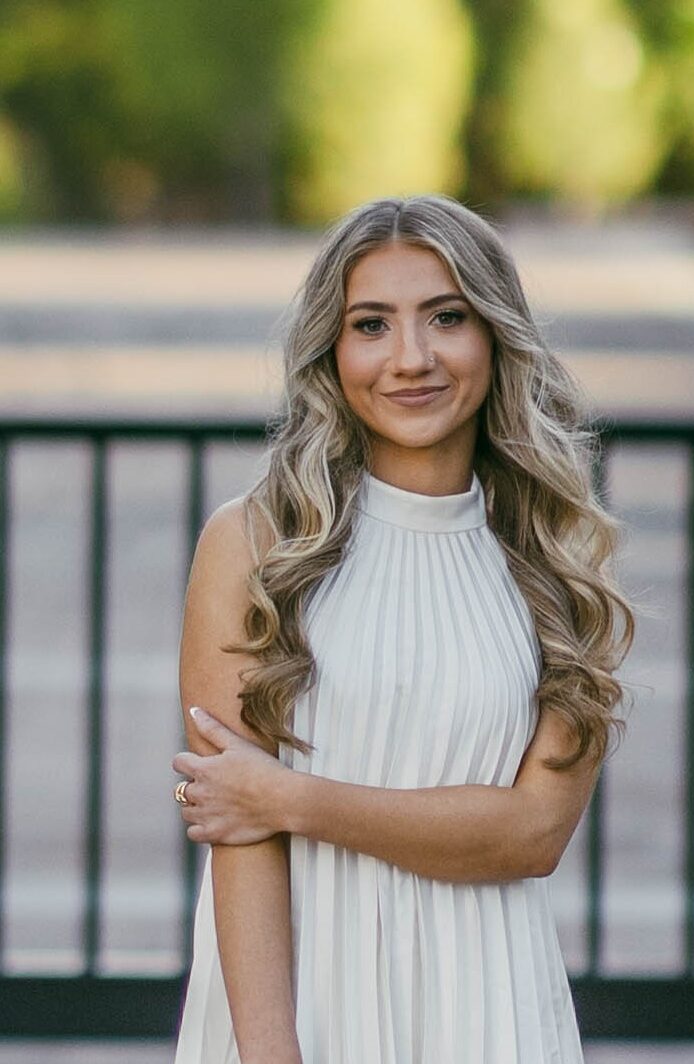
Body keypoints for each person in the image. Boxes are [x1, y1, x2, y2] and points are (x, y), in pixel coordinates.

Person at [170, 193, 635, 1064]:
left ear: (496, 337)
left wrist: (290, 795)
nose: (411, 359)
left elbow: (533, 836)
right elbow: (240, 839)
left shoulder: (561, 563)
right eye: (372, 325)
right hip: (298, 1004)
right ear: (333, 351)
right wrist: (272, 1055)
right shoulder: (255, 544)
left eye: (447, 318)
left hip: (491, 1005)